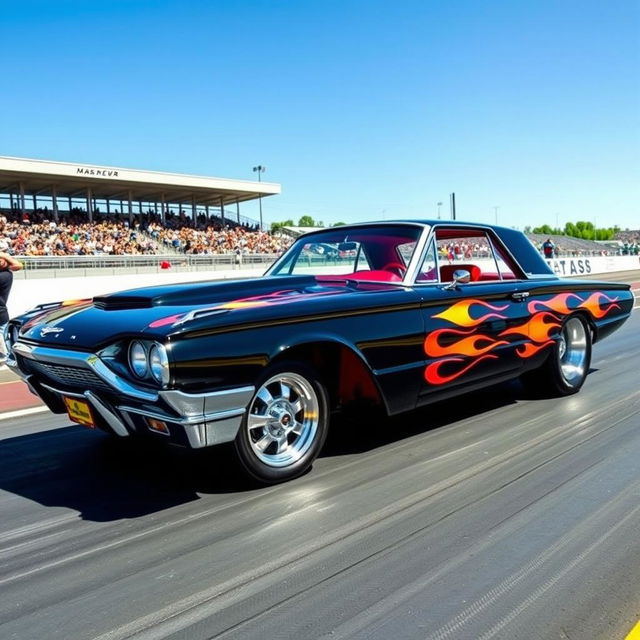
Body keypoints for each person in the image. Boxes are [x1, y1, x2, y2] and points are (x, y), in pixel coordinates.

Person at [0, 252, 24, 363]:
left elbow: (18, 265)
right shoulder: (7, 274)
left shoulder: (5, 275)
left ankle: (8, 358)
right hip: (2, 313)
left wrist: (5, 255)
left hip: (1, 313)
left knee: (4, 341)